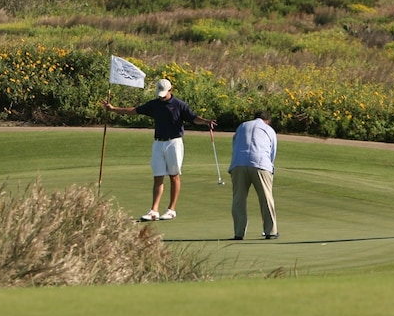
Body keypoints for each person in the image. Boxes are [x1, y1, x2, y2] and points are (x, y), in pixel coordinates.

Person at [103, 78, 216, 221]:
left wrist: (205, 121)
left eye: (164, 94)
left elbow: (193, 118)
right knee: (158, 176)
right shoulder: (154, 104)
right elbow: (135, 111)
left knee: (174, 175)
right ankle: (154, 211)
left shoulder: (179, 105)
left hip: (174, 143)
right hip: (158, 143)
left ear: (170, 90)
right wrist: (114, 109)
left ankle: (171, 209)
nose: (161, 97)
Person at [228, 112, 278, 240]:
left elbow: (235, 145)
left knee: (238, 199)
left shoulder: (242, 126)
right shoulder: (269, 129)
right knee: (266, 198)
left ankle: (239, 232)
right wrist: (270, 169)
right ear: (267, 120)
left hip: (238, 163)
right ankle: (270, 231)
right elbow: (272, 151)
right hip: (261, 163)